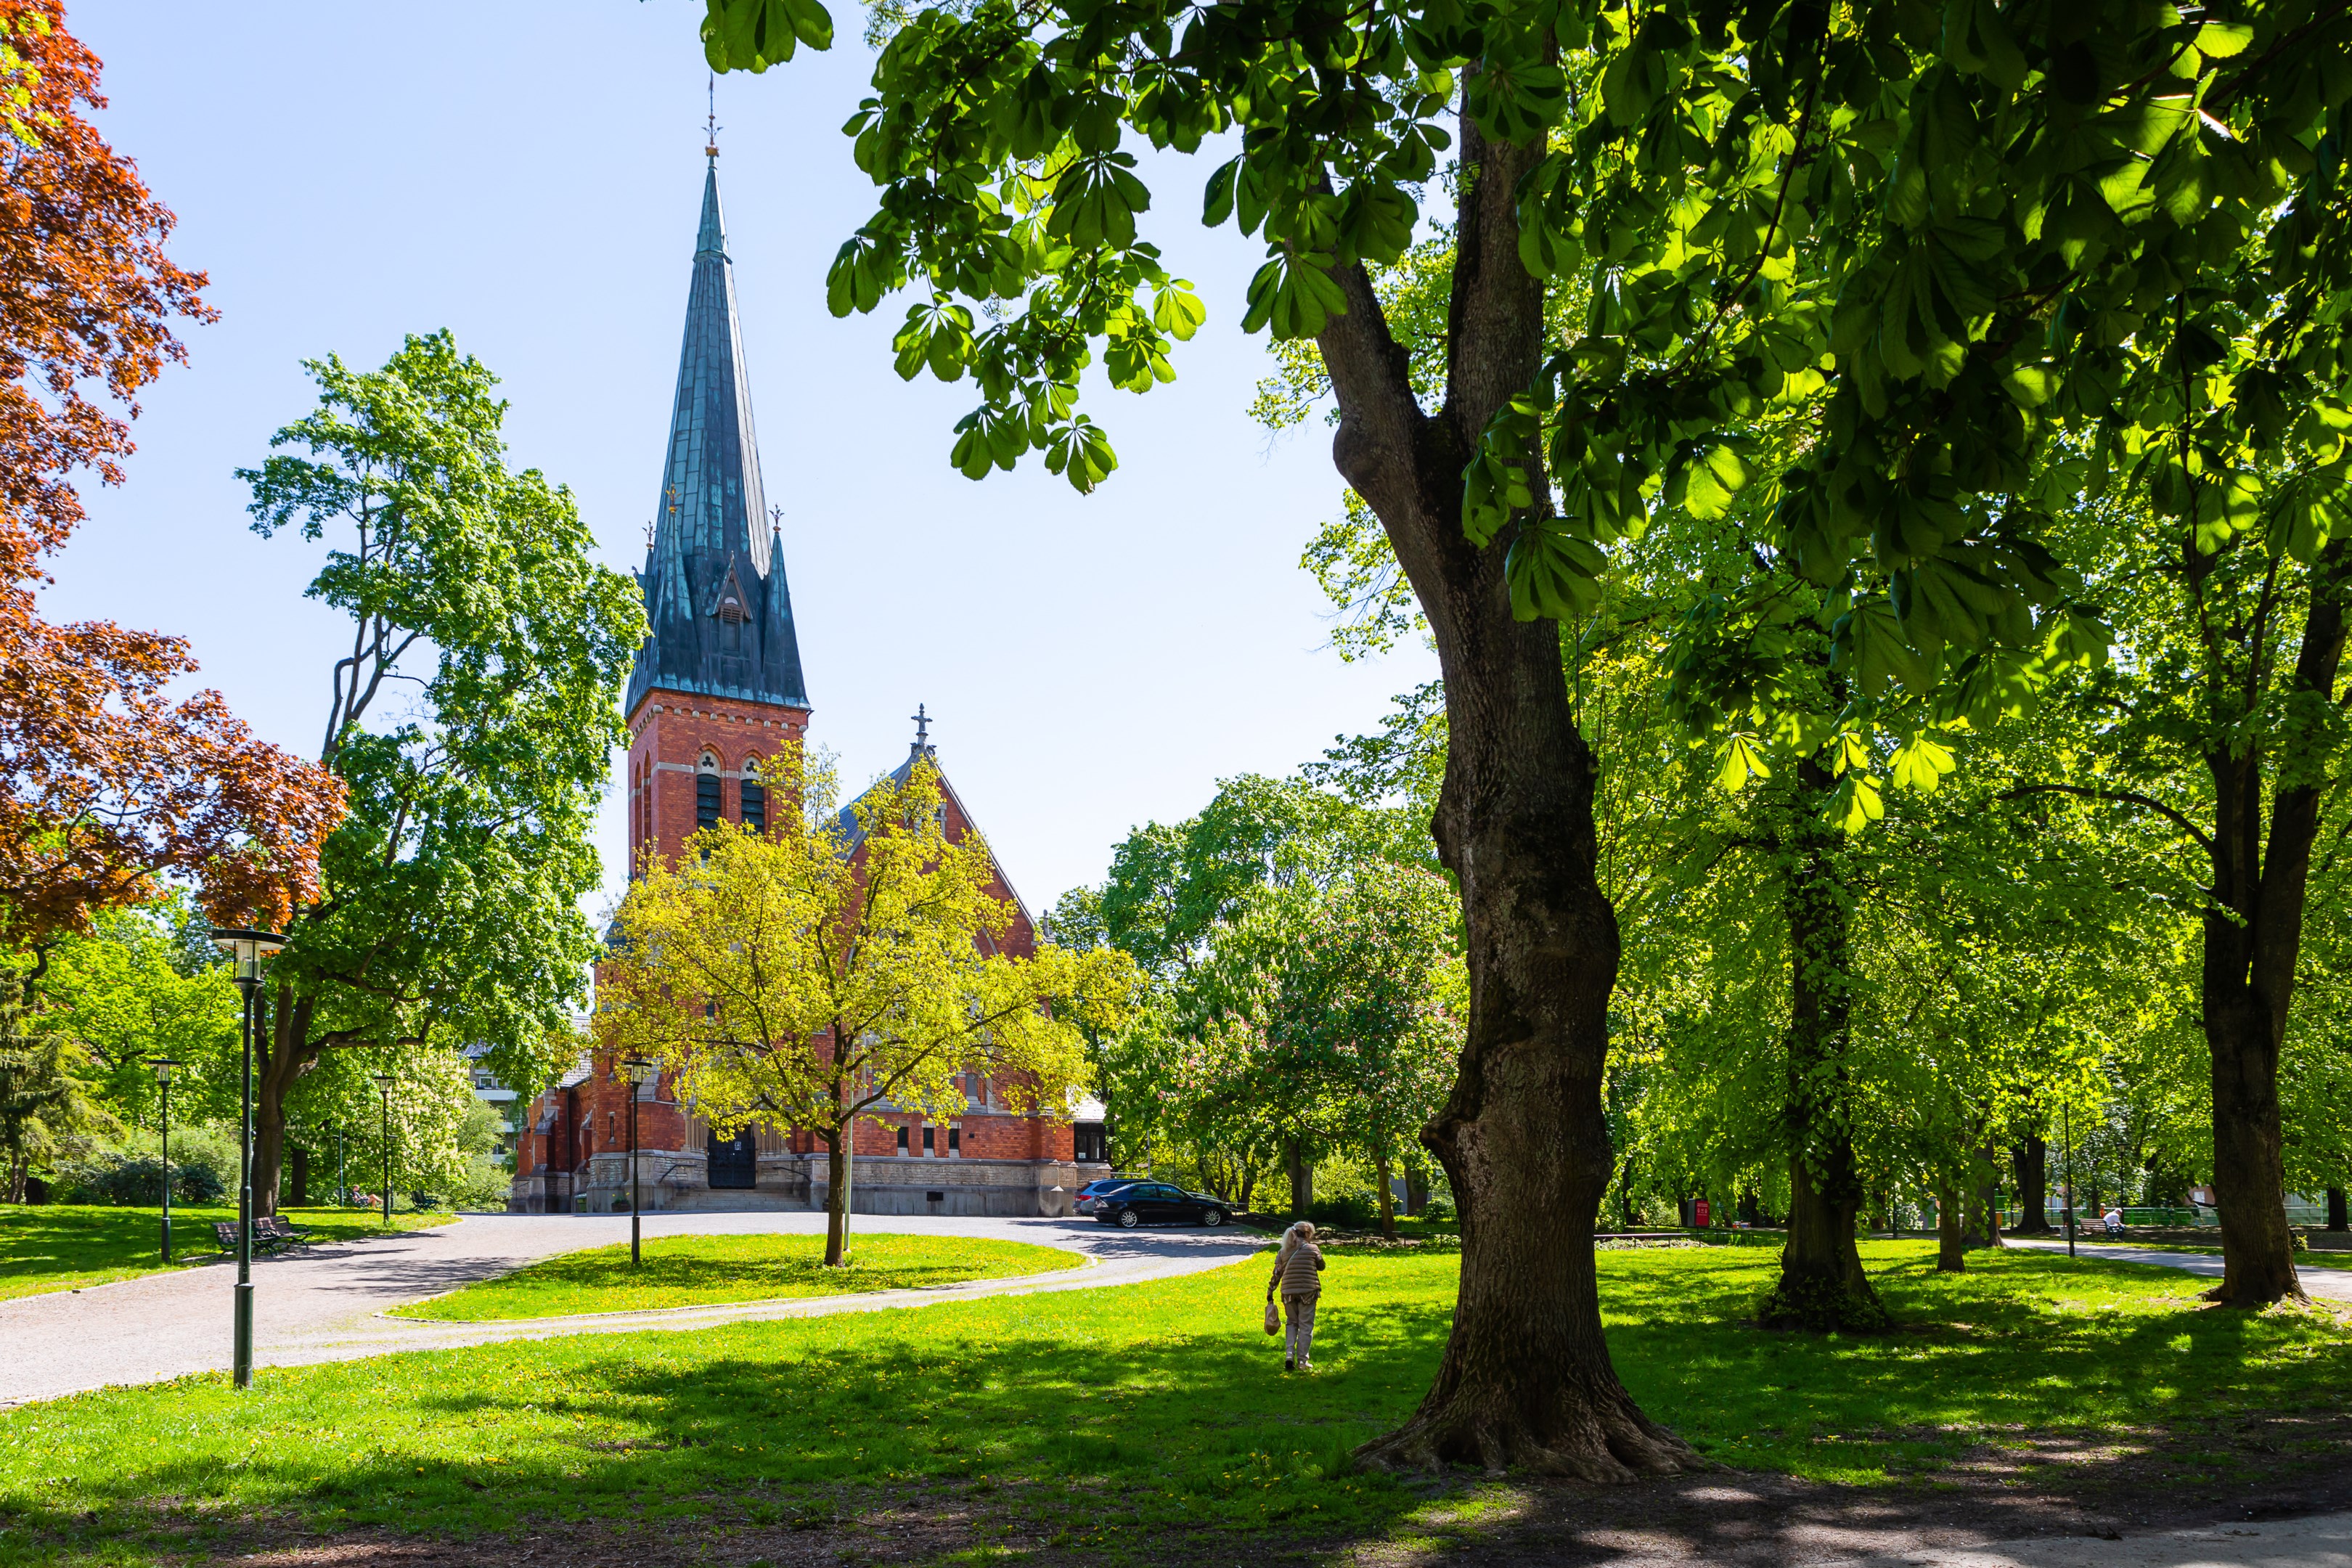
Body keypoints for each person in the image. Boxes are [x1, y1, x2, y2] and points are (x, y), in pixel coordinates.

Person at [1267, 1219, 1326, 1373]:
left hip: (1288, 1293)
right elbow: (1322, 1266)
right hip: (1308, 1292)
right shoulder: (1313, 1248)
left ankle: (1289, 1355)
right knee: (1306, 1325)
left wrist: (1270, 1291)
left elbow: (1277, 1274)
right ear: (1307, 1234)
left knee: (1292, 1323)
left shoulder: (1283, 1251)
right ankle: (1302, 1361)